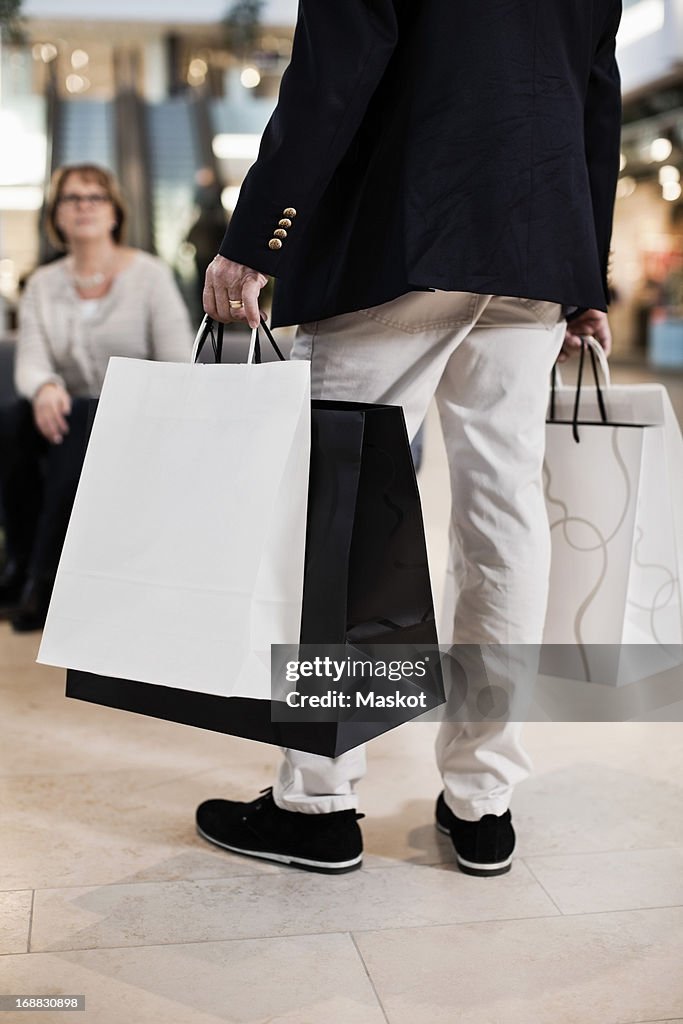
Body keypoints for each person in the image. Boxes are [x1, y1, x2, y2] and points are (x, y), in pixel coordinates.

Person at [198, 0, 622, 876]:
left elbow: (333, 72)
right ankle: (482, 801)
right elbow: (593, 98)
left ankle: (318, 801)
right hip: (536, 254)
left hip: (400, 236)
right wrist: (586, 274)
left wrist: (256, 235)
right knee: (503, 517)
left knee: (343, 522)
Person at [0, 164, 194, 631]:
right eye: (71, 198)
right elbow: (31, 360)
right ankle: (22, 562)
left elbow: (176, 360)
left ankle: (44, 580)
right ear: (57, 217)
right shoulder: (43, 284)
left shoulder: (149, 275)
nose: (83, 206)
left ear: (114, 212)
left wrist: (124, 402)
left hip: (140, 416)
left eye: (95, 197)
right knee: (12, 422)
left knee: (85, 413)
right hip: (64, 414)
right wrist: (46, 387)